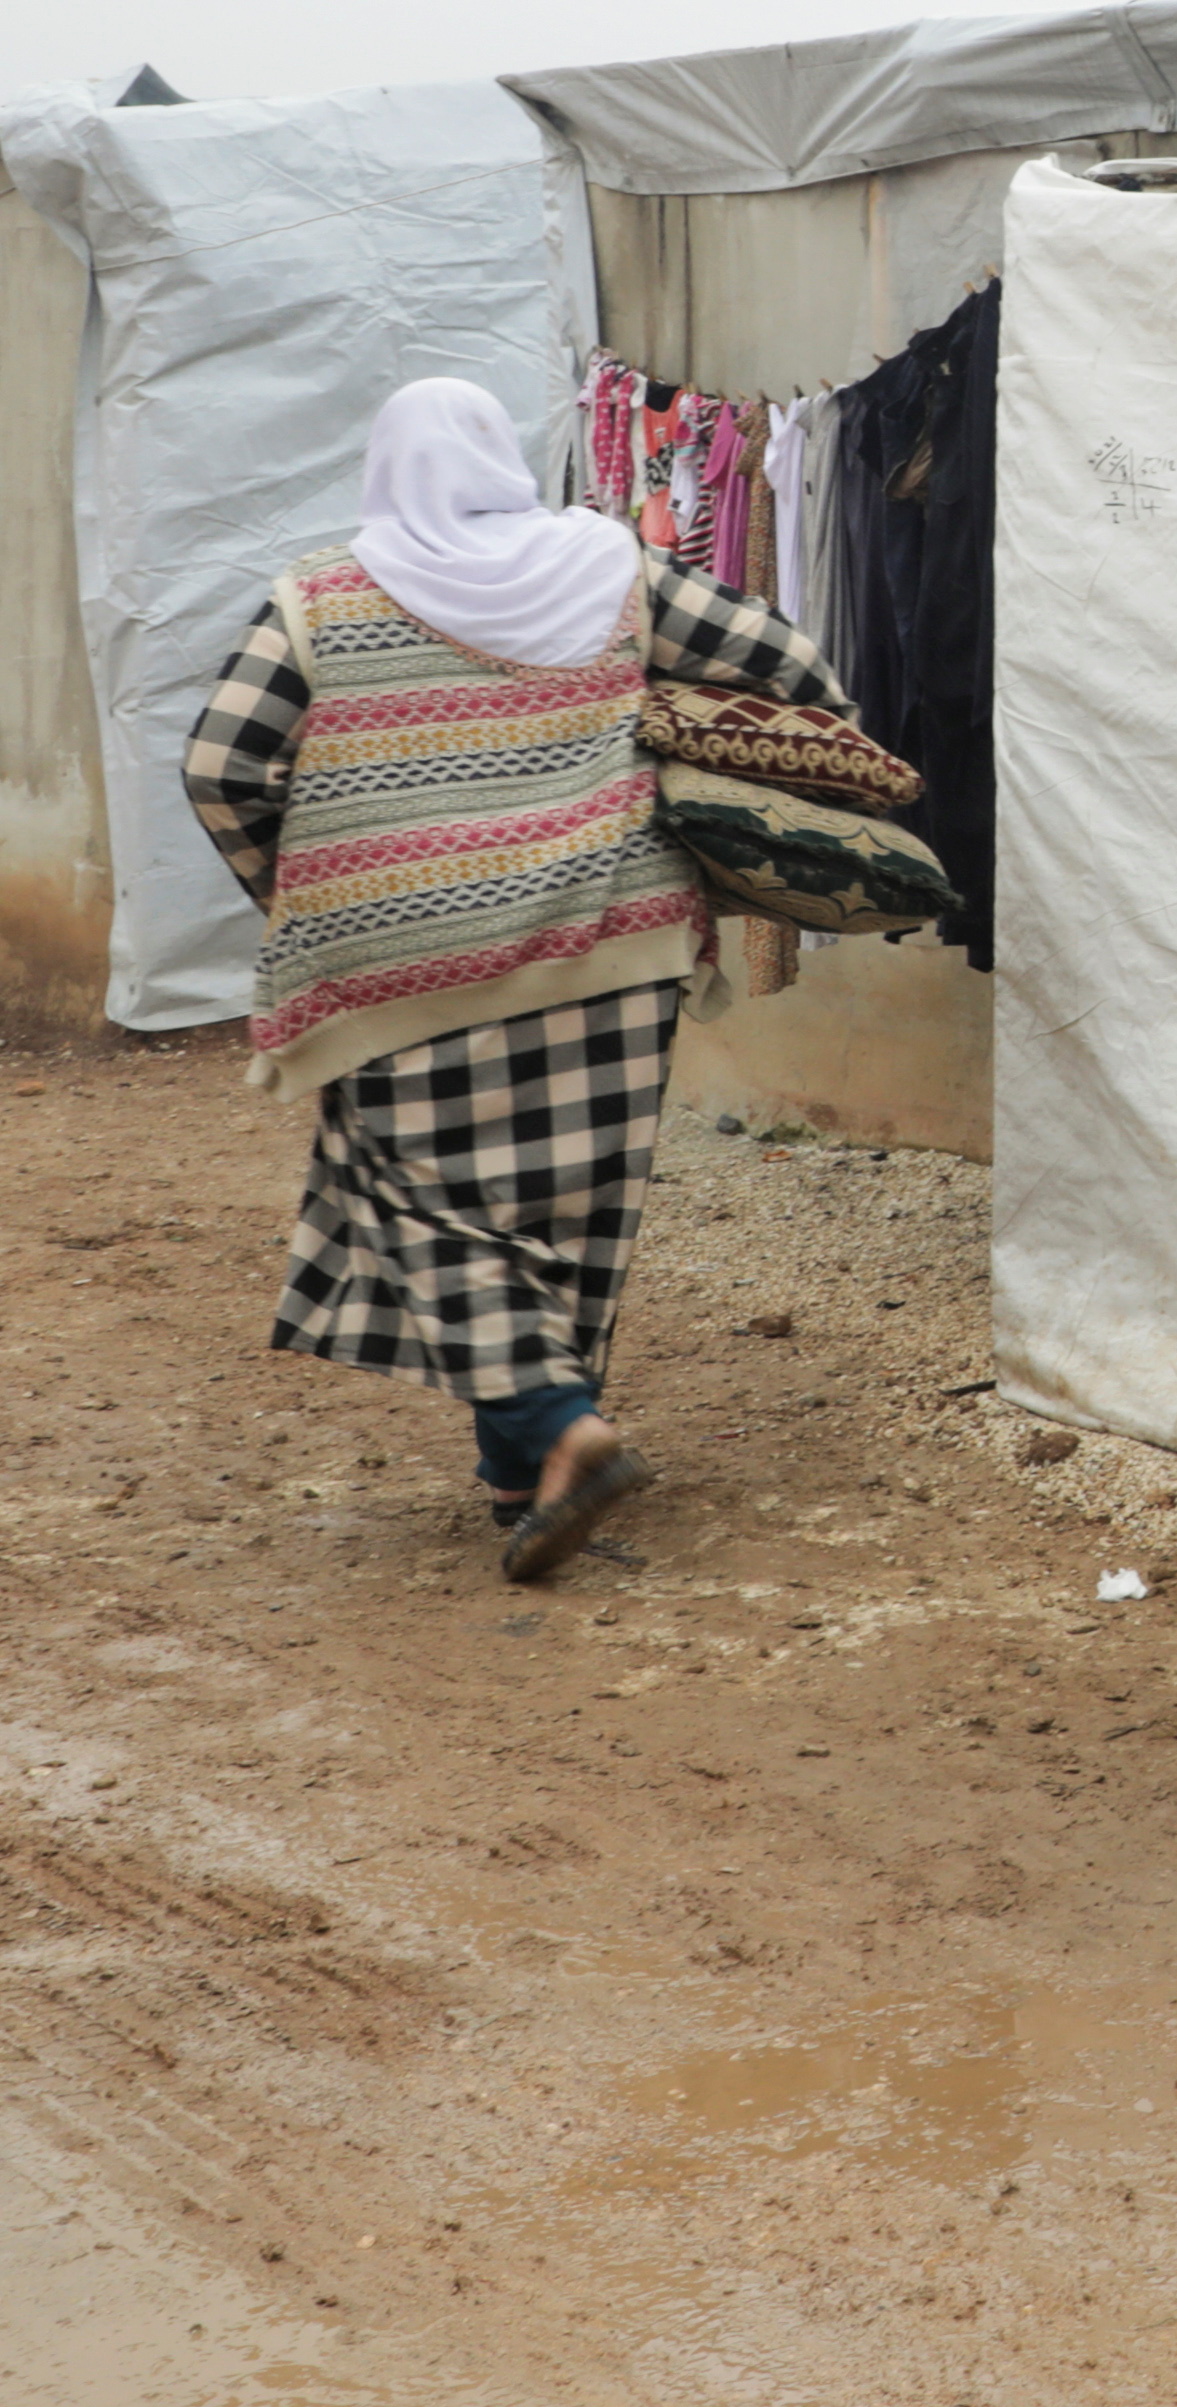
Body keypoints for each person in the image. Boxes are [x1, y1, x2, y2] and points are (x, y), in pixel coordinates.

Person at [179, 378, 869, 1580]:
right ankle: (523, 1475)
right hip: (615, 943)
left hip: (401, 964)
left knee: (417, 1204)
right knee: (572, 1210)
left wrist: (303, 887)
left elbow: (221, 765)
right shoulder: (614, 572)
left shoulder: (321, 598)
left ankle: (561, 1428)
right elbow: (791, 663)